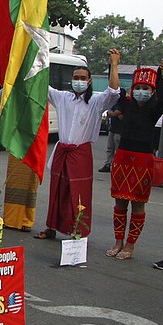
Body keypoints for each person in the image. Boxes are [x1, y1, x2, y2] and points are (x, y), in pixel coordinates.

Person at [34, 49, 120, 240]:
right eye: (75, 77)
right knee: (57, 190)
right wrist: (35, 59)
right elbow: (41, 85)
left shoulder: (96, 101)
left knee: (79, 194)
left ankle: (78, 231)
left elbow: (114, 91)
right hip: (62, 151)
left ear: (89, 81)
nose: (78, 80)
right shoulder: (63, 97)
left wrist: (114, 65)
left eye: (82, 77)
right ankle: (51, 227)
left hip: (80, 153)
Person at [107, 65, 163, 260]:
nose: (141, 92)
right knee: (120, 202)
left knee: (138, 204)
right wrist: (113, 64)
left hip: (143, 160)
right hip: (122, 157)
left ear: (153, 91)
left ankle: (130, 245)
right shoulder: (126, 104)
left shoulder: (155, 108)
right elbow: (114, 88)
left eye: (146, 88)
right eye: (138, 87)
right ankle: (118, 242)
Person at [99, 88, 125, 172]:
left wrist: (111, 113)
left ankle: (118, 165)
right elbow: (110, 113)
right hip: (113, 129)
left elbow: (114, 113)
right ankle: (108, 164)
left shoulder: (123, 103)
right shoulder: (114, 103)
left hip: (119, 131)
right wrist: (110, 114)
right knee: (110, 148)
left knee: (118, 149)